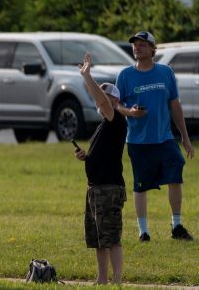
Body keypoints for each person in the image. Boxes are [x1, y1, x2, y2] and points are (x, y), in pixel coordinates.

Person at [116, 30, 195, 242]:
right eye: (134, 44)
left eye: (142, 44)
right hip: (138, 141)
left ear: (152, 49)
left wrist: (185, 138)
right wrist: (131, 112)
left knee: (176, 170)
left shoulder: (165, 72)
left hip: (165, 138)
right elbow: (117, 105)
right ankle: (143, 231)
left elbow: (174, 105)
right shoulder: (125, 75)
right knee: (140, 185)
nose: (137, 47)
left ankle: (176, 226)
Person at [74, 53, 126, 284]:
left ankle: (116, 280)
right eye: (98, 97)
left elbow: (104, 103)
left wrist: (87, 76)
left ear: (115, 102)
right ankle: (102, 278)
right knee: (97, 238)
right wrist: (87, 157)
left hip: (109, 188)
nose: (98, 101)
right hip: (95, 188)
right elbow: (102, 154)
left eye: (103, 98)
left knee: (111, 237)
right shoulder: (104, 125)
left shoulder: (116, 120)